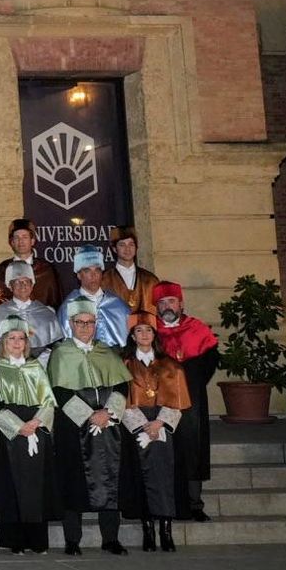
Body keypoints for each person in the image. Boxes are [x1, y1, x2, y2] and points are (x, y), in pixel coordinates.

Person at [48, 298, 131, 556]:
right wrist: (88, 416)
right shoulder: (61, 353)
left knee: (110, 479)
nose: (85, 327)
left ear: (96, 325)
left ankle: (111, 538)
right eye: (80, 323)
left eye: (90, 323)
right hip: (74, 428)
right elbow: (59, 391)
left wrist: (107, 413)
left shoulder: (106, 351)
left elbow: (121, 386)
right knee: (73, 481)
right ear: (71, 324)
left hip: (108, 427)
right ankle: (73, 539)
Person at [120, 313, 190, 553]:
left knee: (165, 477)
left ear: (155, 335)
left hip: (164, 426)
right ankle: (148, 530)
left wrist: (159, 423)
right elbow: (121, 399)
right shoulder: (124, 365)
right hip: (137, 424)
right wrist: (142, 426)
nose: (144, 335)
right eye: (139, 331)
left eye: (148, 331)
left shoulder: (171, 365)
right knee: (141, 477)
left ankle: (166, 530)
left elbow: (178, 400)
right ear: (132, 335)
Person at [0, 315, 60, 555]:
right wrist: (18, 426)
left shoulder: (35, 367)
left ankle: (37, 539)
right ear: (4, 342)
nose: (17, 343)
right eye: (12, 339)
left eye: (21, 338)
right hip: (9, 433)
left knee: (36, 485)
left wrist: (37, 422)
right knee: (11, 484)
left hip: (36, 430)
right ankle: (15, 539)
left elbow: (48, 401)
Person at [152, 281, 218, 522]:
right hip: (160, 400)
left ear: (181, 303)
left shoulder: (198, 329)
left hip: (192, 400)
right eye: (161, 302)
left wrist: (191, 382)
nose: (167, 306)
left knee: (193, 448)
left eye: (171, 301)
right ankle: (169, 503)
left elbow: (210, 363)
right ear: (156, 307)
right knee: (165, 450)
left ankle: (195, 504)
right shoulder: (150, 332)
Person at [59, 246, 132, 349]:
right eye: (87, 271)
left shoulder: (118, 305)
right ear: (79, 275)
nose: (93, 275)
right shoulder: (69, 306)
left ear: (102, 273)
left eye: (97, 270)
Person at [0, 262, 62, 358]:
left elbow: (56, 348)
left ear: (32, 285)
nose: (22, 285)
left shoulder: (47, 314)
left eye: (26, 281)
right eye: (17, 282)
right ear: (10, 287)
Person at [0, 218, 65, 308]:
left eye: (25, 237)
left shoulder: (47, 270)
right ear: (11, 242)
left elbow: (56, 303)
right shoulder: (1, 271)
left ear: (32, 241)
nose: (21, 241)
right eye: (16, 238)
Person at [104, 227, 160, 316]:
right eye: (122, 245)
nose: (127, 249)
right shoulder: (104, 279)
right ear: (114, 249)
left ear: (136, 247)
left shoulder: (150, 279)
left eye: (131, 244)